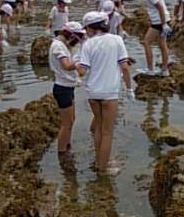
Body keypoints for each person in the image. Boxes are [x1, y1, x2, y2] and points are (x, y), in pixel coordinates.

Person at [76, 11, 134, 173]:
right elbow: (125, 67)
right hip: (110, 93)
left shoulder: (88, 44)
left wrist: (75, 61)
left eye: (86, 28)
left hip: (93, 93)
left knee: (99, 128)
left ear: (91, 27)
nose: (85, 31)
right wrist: (129, 89)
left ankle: (98, 160)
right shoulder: (116, 40)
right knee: (107, 133)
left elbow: (82, 72)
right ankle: (103, 169)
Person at [49, 21, 86, 155]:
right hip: (62, 88)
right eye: (78, 38)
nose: (77, 41)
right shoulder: (58, 46)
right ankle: (62, 152)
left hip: (68, 87)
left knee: (71, 120)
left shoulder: (62, 45)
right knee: (66, 124)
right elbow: (66, 66)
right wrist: (79, 59)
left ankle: (67, 145)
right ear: (71, 35)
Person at [132, 0, 171, 76]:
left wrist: (163, 25)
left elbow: (160, 8)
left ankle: (150, 69)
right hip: (162, 21)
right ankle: (165, 70)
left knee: (147, 42)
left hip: (159, 22)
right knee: (162, 45)